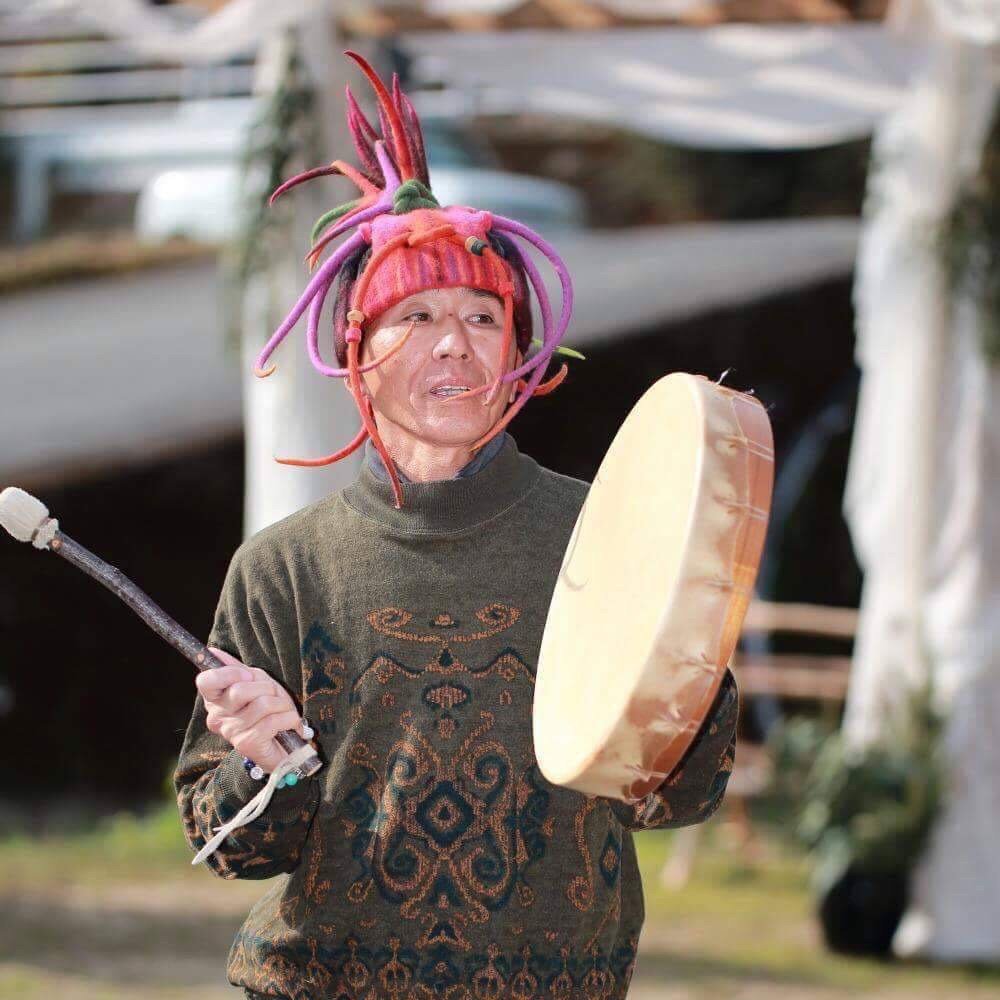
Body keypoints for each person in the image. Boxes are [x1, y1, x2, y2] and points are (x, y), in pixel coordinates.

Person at [174, 52, 738, 1000]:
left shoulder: (601, 535)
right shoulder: (283, 568)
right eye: (417, 314)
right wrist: (263, 766)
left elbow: (676, 797)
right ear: (357, 351)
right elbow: (222, 842)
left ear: (519, 353)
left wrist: (689, 669)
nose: (453, 341)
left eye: (484, 315)